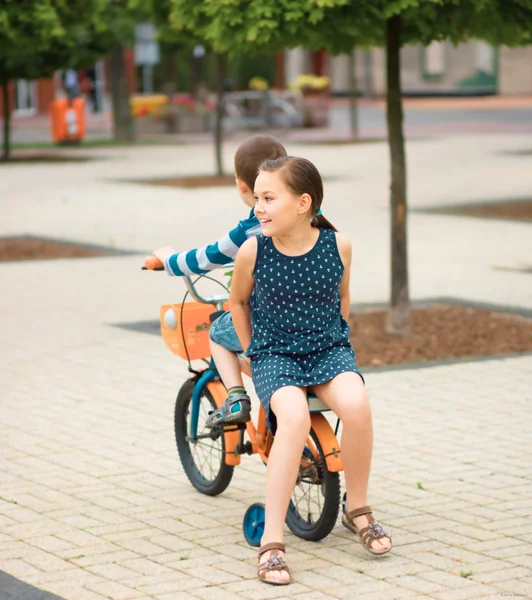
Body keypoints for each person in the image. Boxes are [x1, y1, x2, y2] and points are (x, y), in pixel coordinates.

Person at [229, 156, 392, 586]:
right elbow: (237, 303)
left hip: (328, 349)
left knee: (357, 406)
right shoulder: (254, 250)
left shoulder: (337, 245)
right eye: (257, 198)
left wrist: (338, 338)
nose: (258, 207)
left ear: (303, 203)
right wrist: (253, 351)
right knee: (295, 417)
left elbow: (342, 296)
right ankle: (273, 540)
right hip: (276, 355)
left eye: (268, 198)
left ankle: (356, 509)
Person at [150, 135, 287, 427]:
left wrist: (168, 261)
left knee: (218, 332)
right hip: (311, 321)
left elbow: (208, 257)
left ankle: (236, 396)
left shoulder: (252, 228)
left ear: (241, 186)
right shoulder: (311, 215)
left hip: (269, 323)